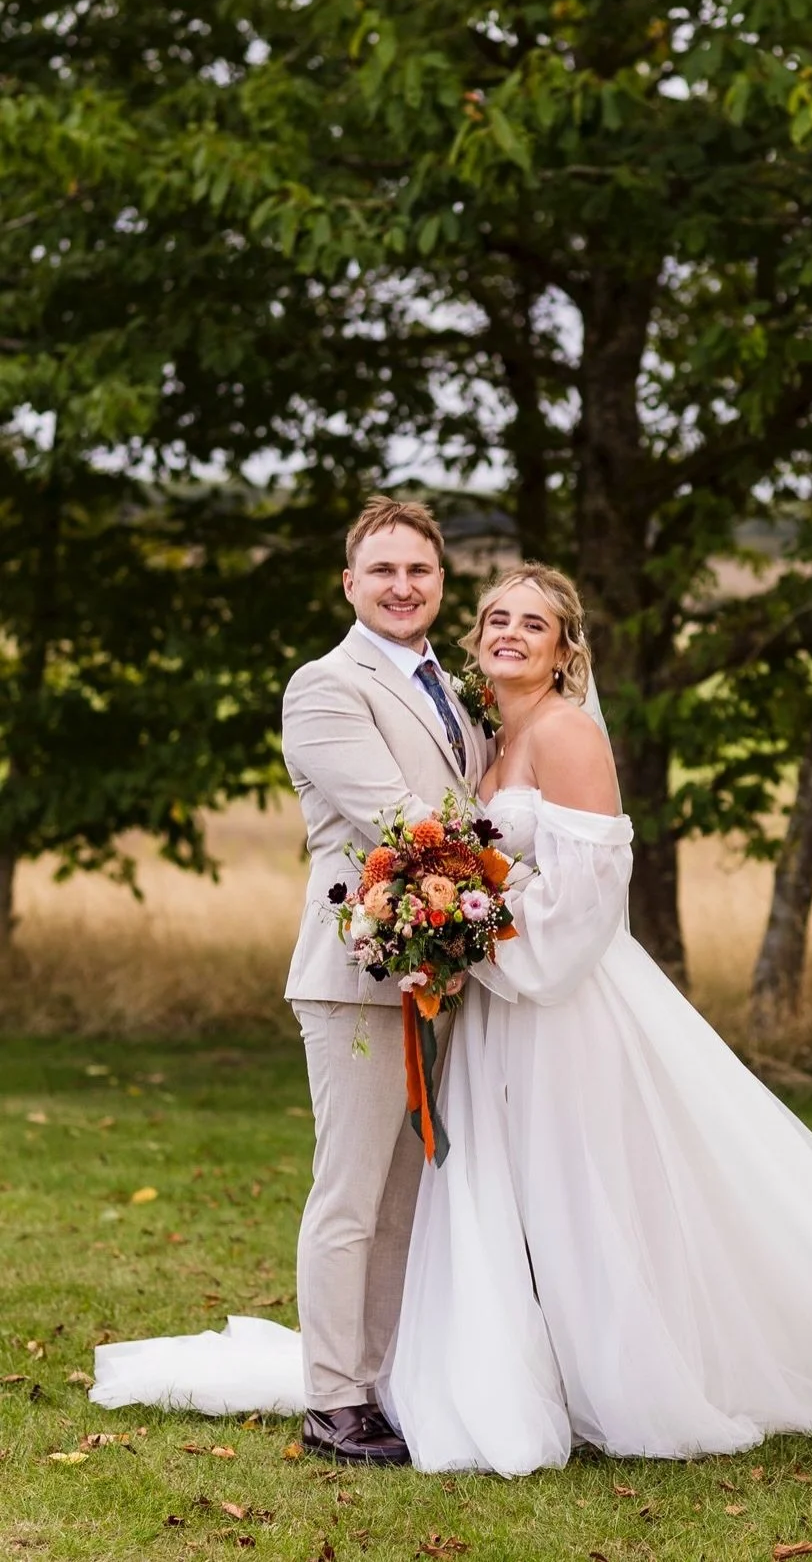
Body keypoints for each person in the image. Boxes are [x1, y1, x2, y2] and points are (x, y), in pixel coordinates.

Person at [92, 560, 812, 1466]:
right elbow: (456, 845)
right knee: (496, 1198)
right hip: (496, 1007)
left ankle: (629, 1379)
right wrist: (457, 935)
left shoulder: (562, 733)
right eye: (495, 619)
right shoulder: (485, 730)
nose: (507, 633)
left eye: (530, 623)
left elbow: (592, 892)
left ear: (566, 651)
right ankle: (498, 1372)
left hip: (560, 1002)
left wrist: (483, 942)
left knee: (587, 1197)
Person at [272, 498, 484, 1464]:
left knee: (407, 1199)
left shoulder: (454, 686)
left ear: (442, 581)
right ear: (349, 582)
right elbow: (403, 819)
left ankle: (381, 1381)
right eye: (384, 570)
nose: (405, 586)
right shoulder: (326, 685)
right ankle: (332, 1401)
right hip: (357, 971)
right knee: (352, 1194)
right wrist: (531, 857)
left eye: (421, 571)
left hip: (437, 973)